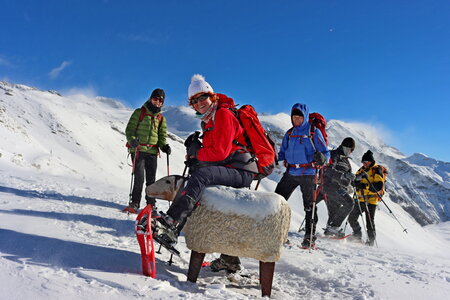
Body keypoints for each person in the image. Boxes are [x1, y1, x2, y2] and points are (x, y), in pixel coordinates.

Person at [154, 74, 258, 266]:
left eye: (203, 97)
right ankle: (229, 259)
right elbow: (213, 154)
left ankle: (172, 222)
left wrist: (198, 152)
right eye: (195, 100)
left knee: (201, 176)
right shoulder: (208, 121)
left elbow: (219, 152)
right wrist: (195, 156)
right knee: (196, 177)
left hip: (241, 171)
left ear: (212, 96)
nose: (200, 102)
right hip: (230, 166)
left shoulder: (223, 115)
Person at [274, 103, 330, 248]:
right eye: (294, 116)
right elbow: (282, 152)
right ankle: (277, 233)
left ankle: (309, 238)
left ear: (305, 116)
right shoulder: (289, 133)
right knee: (277, 201)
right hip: (291, 172)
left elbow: (326, 153)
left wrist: (322, 158)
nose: (296, 119)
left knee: (309, 206)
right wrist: (276, 161)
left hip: (308, 173)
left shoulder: (313, 132)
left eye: (299, 116)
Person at [124, 88, 171, 213]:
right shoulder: (139, 112)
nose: (158, 102)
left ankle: (151, 204)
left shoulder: (161, 119)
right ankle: (134, 203)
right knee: (139, 178)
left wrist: (164, 146)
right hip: (138, 150)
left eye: (161, 100)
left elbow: (161, 137)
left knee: (151, 180)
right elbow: (130, 130)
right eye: (156, 99)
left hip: (152, 152)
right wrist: (132, 140)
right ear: (151, 98)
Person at [347, 150, 386, 246]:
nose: (363, 164)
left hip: (371, 200)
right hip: (360, 199)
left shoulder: (376, 170)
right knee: (352, 218)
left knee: (370, 222)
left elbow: (378, 186)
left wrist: (364, 186)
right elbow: (354, 181)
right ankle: (357, 235)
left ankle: (371, 242)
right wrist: (355, 183)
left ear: (370, 161)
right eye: (363, 162)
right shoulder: (361, 170)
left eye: (365, 162)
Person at [322, 137, 356, 237]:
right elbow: (328, 170)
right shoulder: (334, 155)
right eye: (351, 150)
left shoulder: (346, 161)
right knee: (349, 203)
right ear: (347, 147)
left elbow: (348, 178)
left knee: (334, 211)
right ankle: (333, 227)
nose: (351, 152)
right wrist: (343, 176)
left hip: (339, 189)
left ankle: (329, 231)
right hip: (330, 186)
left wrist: (352, 180)